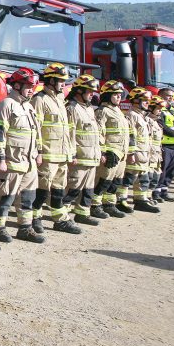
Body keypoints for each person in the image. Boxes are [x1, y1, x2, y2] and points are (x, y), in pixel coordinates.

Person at [0, 67, 44, 244]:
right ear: (17, 85)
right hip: (11, 162)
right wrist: (1, 158)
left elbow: (35, 133)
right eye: (29, 86)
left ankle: (25, 228)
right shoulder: (6, 105)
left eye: (33, 86)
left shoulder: (28, 107)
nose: (32, 89)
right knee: (5, 196)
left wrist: (39, 153)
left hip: (29, 163)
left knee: (28, 197)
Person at [29, 63, 72, 235]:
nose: (63, 84)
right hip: (47, 154)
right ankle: (35, 218)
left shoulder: (60, 100)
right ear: (51, 80)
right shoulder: (40, 100)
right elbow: (36, 128)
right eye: (60, 80)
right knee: (41, 189)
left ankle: (59, 220)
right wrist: (38, 151)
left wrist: (69, 152)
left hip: (61, 155)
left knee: (58, 189)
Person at [62, 75, 102, 230]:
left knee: (88, 189)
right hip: (79, 157)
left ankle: (82, 213)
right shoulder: (71, 108)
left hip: (91, 157)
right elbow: (69, 134)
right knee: (73, 187)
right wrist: (72, 154)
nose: (92, 94)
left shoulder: (89, 108)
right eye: (89, 91)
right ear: (79, 91)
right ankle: (63, 215)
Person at [92, 80, 131, 218]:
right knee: (103, 180)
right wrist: (103, 151)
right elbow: (99, 134)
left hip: (122, 153)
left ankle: (109, 205)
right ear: (107, 96)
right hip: (111, 153)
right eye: (115, 95)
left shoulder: (118, 111)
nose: (119, 97)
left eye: (120, 95)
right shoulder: (102, 111)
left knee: (116, 181)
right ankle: (94, 205)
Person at [122, 87, 160, 213]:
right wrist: (131, 153)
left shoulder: (143, 116)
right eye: (144, 101)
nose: (147, 104)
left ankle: (141, 200)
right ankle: (121, 200)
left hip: (144, 154)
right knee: (128, 178)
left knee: (143, 179)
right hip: (136, 154)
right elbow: (130, 136)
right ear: (135, 101)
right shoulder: (132, 115)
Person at [156, 88, 174, 202]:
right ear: (161, 96)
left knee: (172, 171)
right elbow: (162, 125)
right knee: (162, 170)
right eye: (168, 96)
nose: (171, 98)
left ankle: (164, 191)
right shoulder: (158, 109)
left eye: (172, 96)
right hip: (164, 145)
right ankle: (156, 192)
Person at [147, 95, 166, 205]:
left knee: (155, 177)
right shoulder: (148, 121)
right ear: (151, 108)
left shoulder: (157, 122)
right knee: (147, 178)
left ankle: (149, 196)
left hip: (157, 156)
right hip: (150, 155)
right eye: (158, 109)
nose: (160, 112)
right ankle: (143, 198)